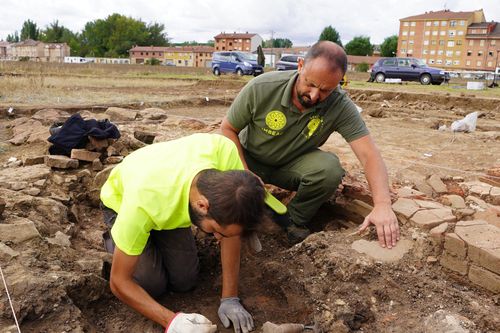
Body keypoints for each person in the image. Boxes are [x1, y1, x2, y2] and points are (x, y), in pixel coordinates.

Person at [221, 41, 400, 247]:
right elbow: (227, 129)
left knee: (329, 170)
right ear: (300, 66)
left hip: (289, 166)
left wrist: (383, 205)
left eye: (326, 90)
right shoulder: (262, 88)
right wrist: (243, 172)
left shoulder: (340, 105)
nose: (315, 95)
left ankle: (290, 221)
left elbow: (369, 155)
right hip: (248, 160)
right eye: (311, 84)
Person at [100, 133, 266, 333]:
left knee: (184, 280)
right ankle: (116, 238)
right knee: (152, 285)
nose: (218, 239)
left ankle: (151, 238)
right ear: (202, 205)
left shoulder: (224, 151)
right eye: (215, 231)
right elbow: (119, 282)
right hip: (124, 201)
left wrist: (230, 298)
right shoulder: (141, 203)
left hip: (169, 203)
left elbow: (232, 226)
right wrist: (171, 321)